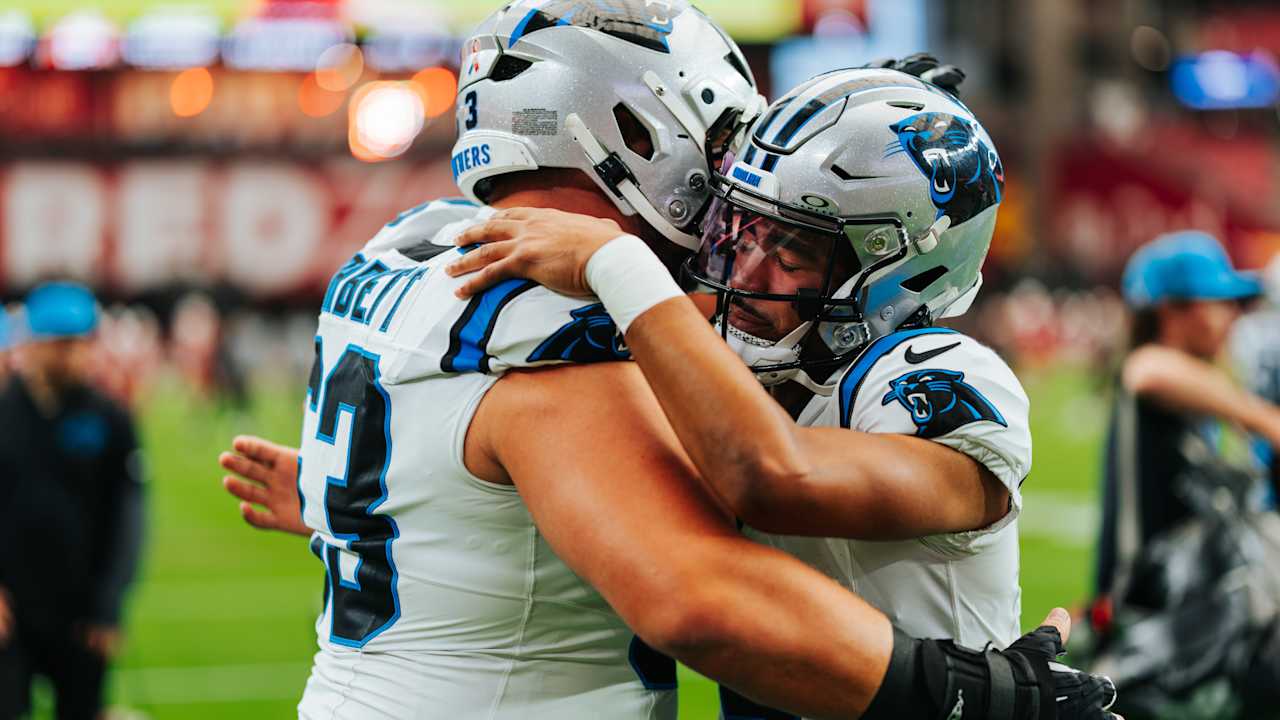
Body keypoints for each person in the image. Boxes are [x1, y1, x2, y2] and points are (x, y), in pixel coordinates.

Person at [224, 3, 1118, 718]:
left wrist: (363, 504)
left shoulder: (402, 246)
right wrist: (977, 692)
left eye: (787, 243)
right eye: (723, 148)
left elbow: (705, 470)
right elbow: (696, 593)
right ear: (641, 133)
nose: (734, 237)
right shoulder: (566, 314)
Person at [445, 66, 1029, 715]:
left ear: (902, 269)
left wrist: (616, 261)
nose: (745, 271)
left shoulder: (933, 376)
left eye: (792, 253)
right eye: (741, 231)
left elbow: (775, 476)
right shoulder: (758, 348)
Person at [1093, 231, 1280, 618]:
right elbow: (1147, 370)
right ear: (1171, 312)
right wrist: (1265, 419)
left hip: (1182, 611)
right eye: (1219, 302)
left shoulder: (1194, 391)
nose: (1232, 316)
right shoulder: (1149, 366)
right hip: (1142, 615)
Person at [0, 282, 146, 720]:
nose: (76, 354)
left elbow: (128, 516)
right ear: (33, 343)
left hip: (83, 613)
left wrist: (109, 605)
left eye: (83, 342)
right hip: (10, 614)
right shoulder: (4, 413)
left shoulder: (110, 418)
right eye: (63, 344)